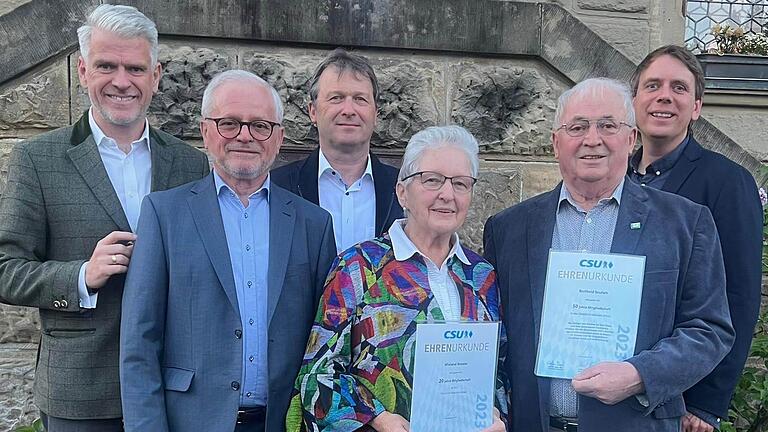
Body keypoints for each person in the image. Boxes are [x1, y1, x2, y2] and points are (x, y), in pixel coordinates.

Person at [0, 4, 209, 431]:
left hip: (173, 388)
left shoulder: (192, 165)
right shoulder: (37, 160)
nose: (121, 81)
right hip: (82, 391)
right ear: (82, 70)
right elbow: (5, 270)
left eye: (134, 68)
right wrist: (82, 276)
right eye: (106, 65)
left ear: (156, 76)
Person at [484, 78, 734, 431]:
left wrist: (639, 374)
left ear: (631, 139)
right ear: (556, 142)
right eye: (578, 127)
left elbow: (710, 329)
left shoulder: (685, 223)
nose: (592, 139)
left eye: (607, 125)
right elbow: (493, 334)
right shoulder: (509, 228)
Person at [119, 70, 337, 432]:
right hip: (190, 422)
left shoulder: (313, 224)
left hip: (282, 422)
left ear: (279, 137)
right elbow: (140, 343)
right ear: (206, 131)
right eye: (229, 123)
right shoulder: (164, 214)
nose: (245, 136)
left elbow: (327, 340)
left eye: (260, 126)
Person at [286, 125, 506, 432]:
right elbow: (316, 376)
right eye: (432, 180)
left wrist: (497, 416)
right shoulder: (358, 267)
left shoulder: (482, 276)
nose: (447, 194)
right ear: (402, 191)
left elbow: (501, 372)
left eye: (460, 183)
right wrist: (376, 418)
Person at [629, 45, 763, 432]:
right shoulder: (615, 177)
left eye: (679, 88)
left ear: (697, 107)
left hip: (684, 396)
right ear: (635, 99)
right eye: (652, 85)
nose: (664, 96)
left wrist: (706, 404)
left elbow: (739, 296)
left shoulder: (727, 182)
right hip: (616, 386)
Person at [271, 47, 403, 253]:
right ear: (312, 111)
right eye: (336, 98)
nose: (349, 110)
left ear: (376, 113)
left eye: (360, 99)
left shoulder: (405, 190)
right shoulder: (277, 187)